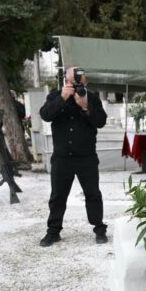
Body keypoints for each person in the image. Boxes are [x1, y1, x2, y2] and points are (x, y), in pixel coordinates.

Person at [39, 67, 108, 247]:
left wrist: (85, 106)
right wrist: (62, 98)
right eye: (74, 82)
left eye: (82, 82)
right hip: (62, 158)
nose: (78, 85)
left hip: (86, 157)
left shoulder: (91, 98)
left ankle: (99, 228)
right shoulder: (55, 96)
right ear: (66, 81)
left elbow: (100, 121)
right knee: (58, 196)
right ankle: (53, 231)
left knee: (93, 194)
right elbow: (45, 115)